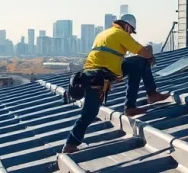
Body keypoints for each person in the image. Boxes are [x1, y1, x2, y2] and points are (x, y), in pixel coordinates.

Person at [62, 14, 169, 153]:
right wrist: (150, 53)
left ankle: (135, 104)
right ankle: (70, 144)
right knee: (90, 113)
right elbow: (144, 53)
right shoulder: (121, 34)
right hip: (99, 77)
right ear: (127, 26)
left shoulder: (104, 33)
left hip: (94, 74)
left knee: (138, 64)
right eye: (131, 30)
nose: (130, 33)